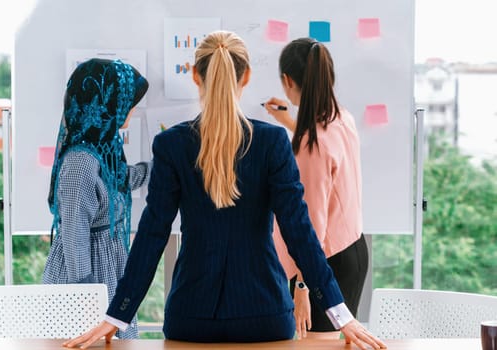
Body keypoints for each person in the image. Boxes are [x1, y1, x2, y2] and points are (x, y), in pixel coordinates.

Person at [63, 31, 385, 349]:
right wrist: (341, 314)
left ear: (194, 75)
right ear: (246, 77)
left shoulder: (171, 144)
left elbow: (152, 234)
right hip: (265, 315)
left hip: (192, 316)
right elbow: (299, 230)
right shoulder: (272, 142)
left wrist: (118, 315)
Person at [264, 38, 368, 334]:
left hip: (325, 264)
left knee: (318, 342)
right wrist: (289, 121)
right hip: (351, 250)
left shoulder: (312, 145)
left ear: (287, 81)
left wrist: (302, 286)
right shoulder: (340, 117)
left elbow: (311, 225)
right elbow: (323, 146)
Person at [42, 58, 150, 339]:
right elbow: (75, 234)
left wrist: (161, 164)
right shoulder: (80, 163)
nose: (132, 110)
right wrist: (87, 297)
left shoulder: (102, 149)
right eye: (129, 103)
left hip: (105, 267)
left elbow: (122, 180)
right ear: (108, 103)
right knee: (91, 341)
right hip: (87, 274)